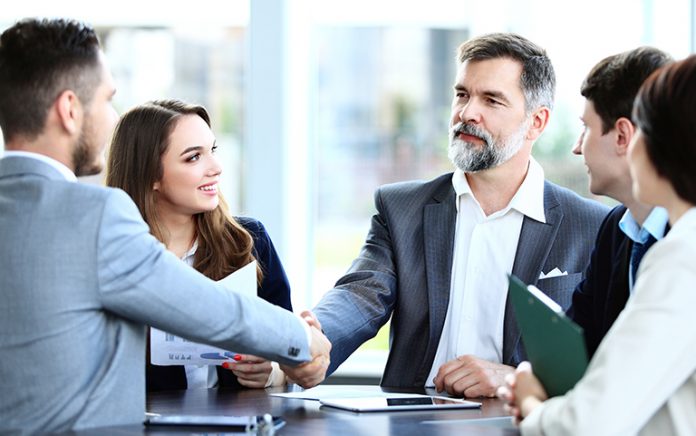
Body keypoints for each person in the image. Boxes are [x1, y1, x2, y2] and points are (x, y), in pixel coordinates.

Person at [0, 18, 329, 433]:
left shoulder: (245, 237)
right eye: (106, 99)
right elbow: (211, 310)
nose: (110, 116)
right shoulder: (96, 215)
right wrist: (300, 337)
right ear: (69, 110)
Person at [306, 33, 608, 397]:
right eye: (462, 94)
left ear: (537, 122)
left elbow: (603, 359)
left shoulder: (592, 227)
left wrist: (513, 378)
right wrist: (306, 339)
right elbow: (359, 298)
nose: (466, 113)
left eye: (491, 100)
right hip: (412, 424)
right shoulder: (401, 209)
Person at [500, 54, 696, 435]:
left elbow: (588, 425)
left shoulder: (684, 255)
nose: (577, 148)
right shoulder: (627, 233)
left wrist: (529, 404)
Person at [106, 100, 291, 391]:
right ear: (150, 174)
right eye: (194, 157)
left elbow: (288, 355)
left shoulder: (249, 242)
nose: (216, 168)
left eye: (212, 151)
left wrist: (272, 375)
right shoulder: (111, 259)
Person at [566, 47, 672, 358]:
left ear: (622, 136)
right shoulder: (615, 228)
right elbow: (579, 343)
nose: (576, 147)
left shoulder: (685, 239)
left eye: (586, 128)